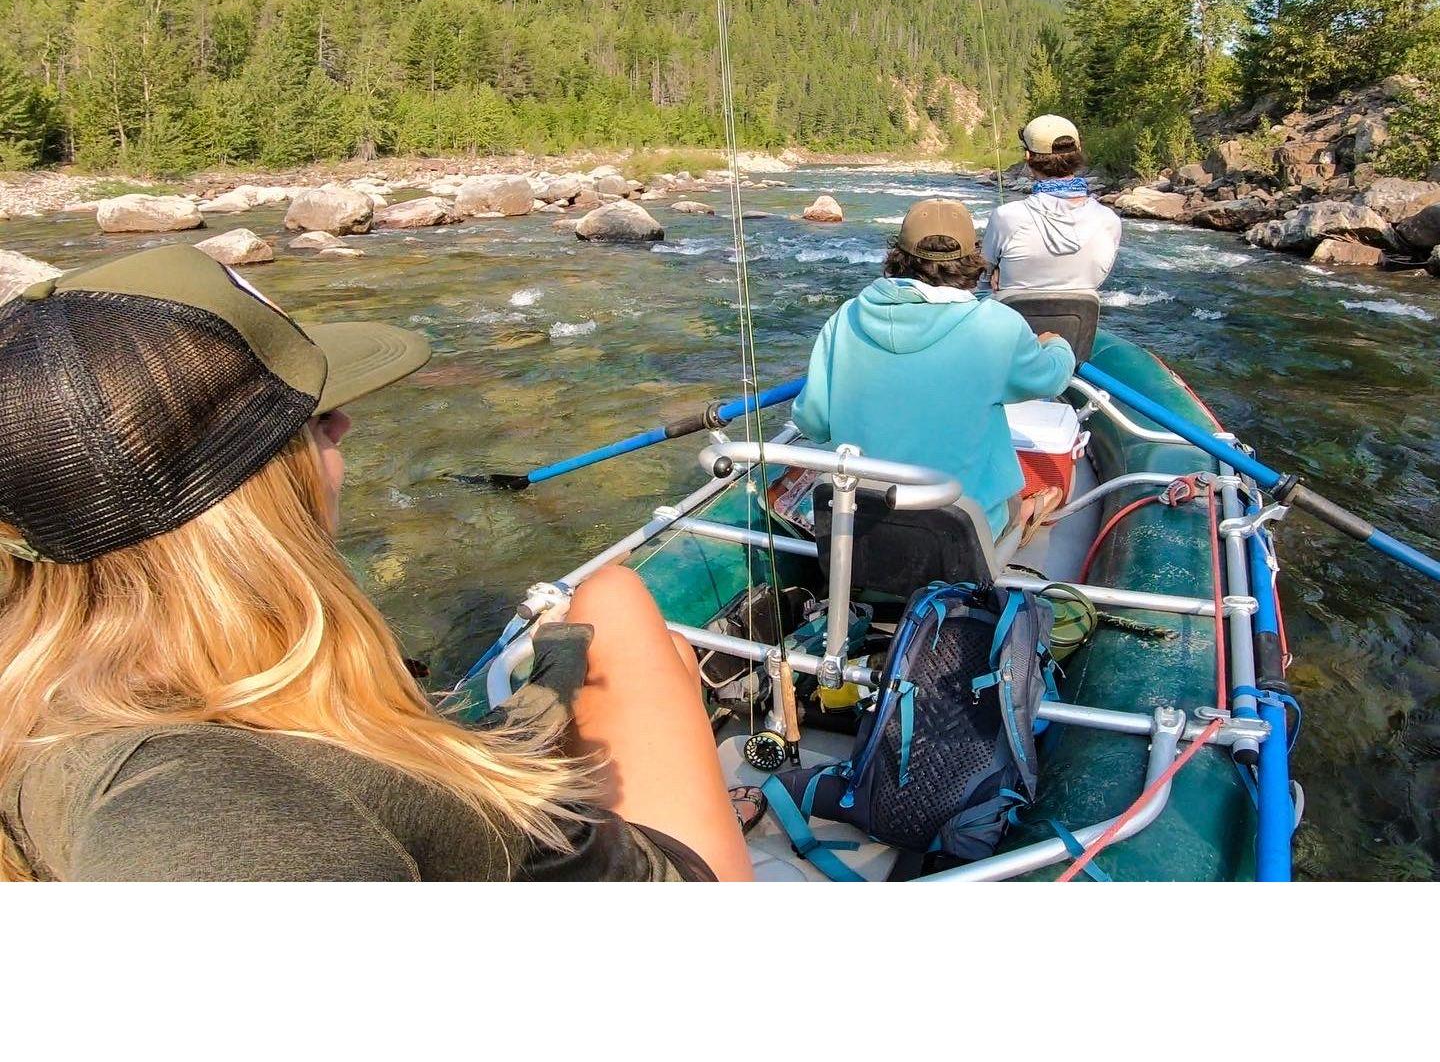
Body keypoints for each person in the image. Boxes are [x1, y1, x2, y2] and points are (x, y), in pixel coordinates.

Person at [0, 245, 750, 882]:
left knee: (643, 633)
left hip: (478, 816)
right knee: (620, 599)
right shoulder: (189, 796)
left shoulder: (47, 699)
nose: (345, 424)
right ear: (248, 496)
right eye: (315, 419)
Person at [792, 198, 1077, 546]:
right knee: (1006, 496)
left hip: (859, 526)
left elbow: (813, 423)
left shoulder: (844, 318)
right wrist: (1057, 345)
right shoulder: (997, 325)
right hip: (960, 530)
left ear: (898, 255)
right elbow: (1051, 377)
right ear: (973, 258)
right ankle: (1028, 511)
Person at [982, 114, 1121, 294]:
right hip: (1079, 320)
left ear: (1028, 156)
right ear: (1077, 154)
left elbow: (983, 274)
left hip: (1011, 319)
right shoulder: (1109, 221)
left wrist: (999, 272)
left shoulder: (1006, 217)